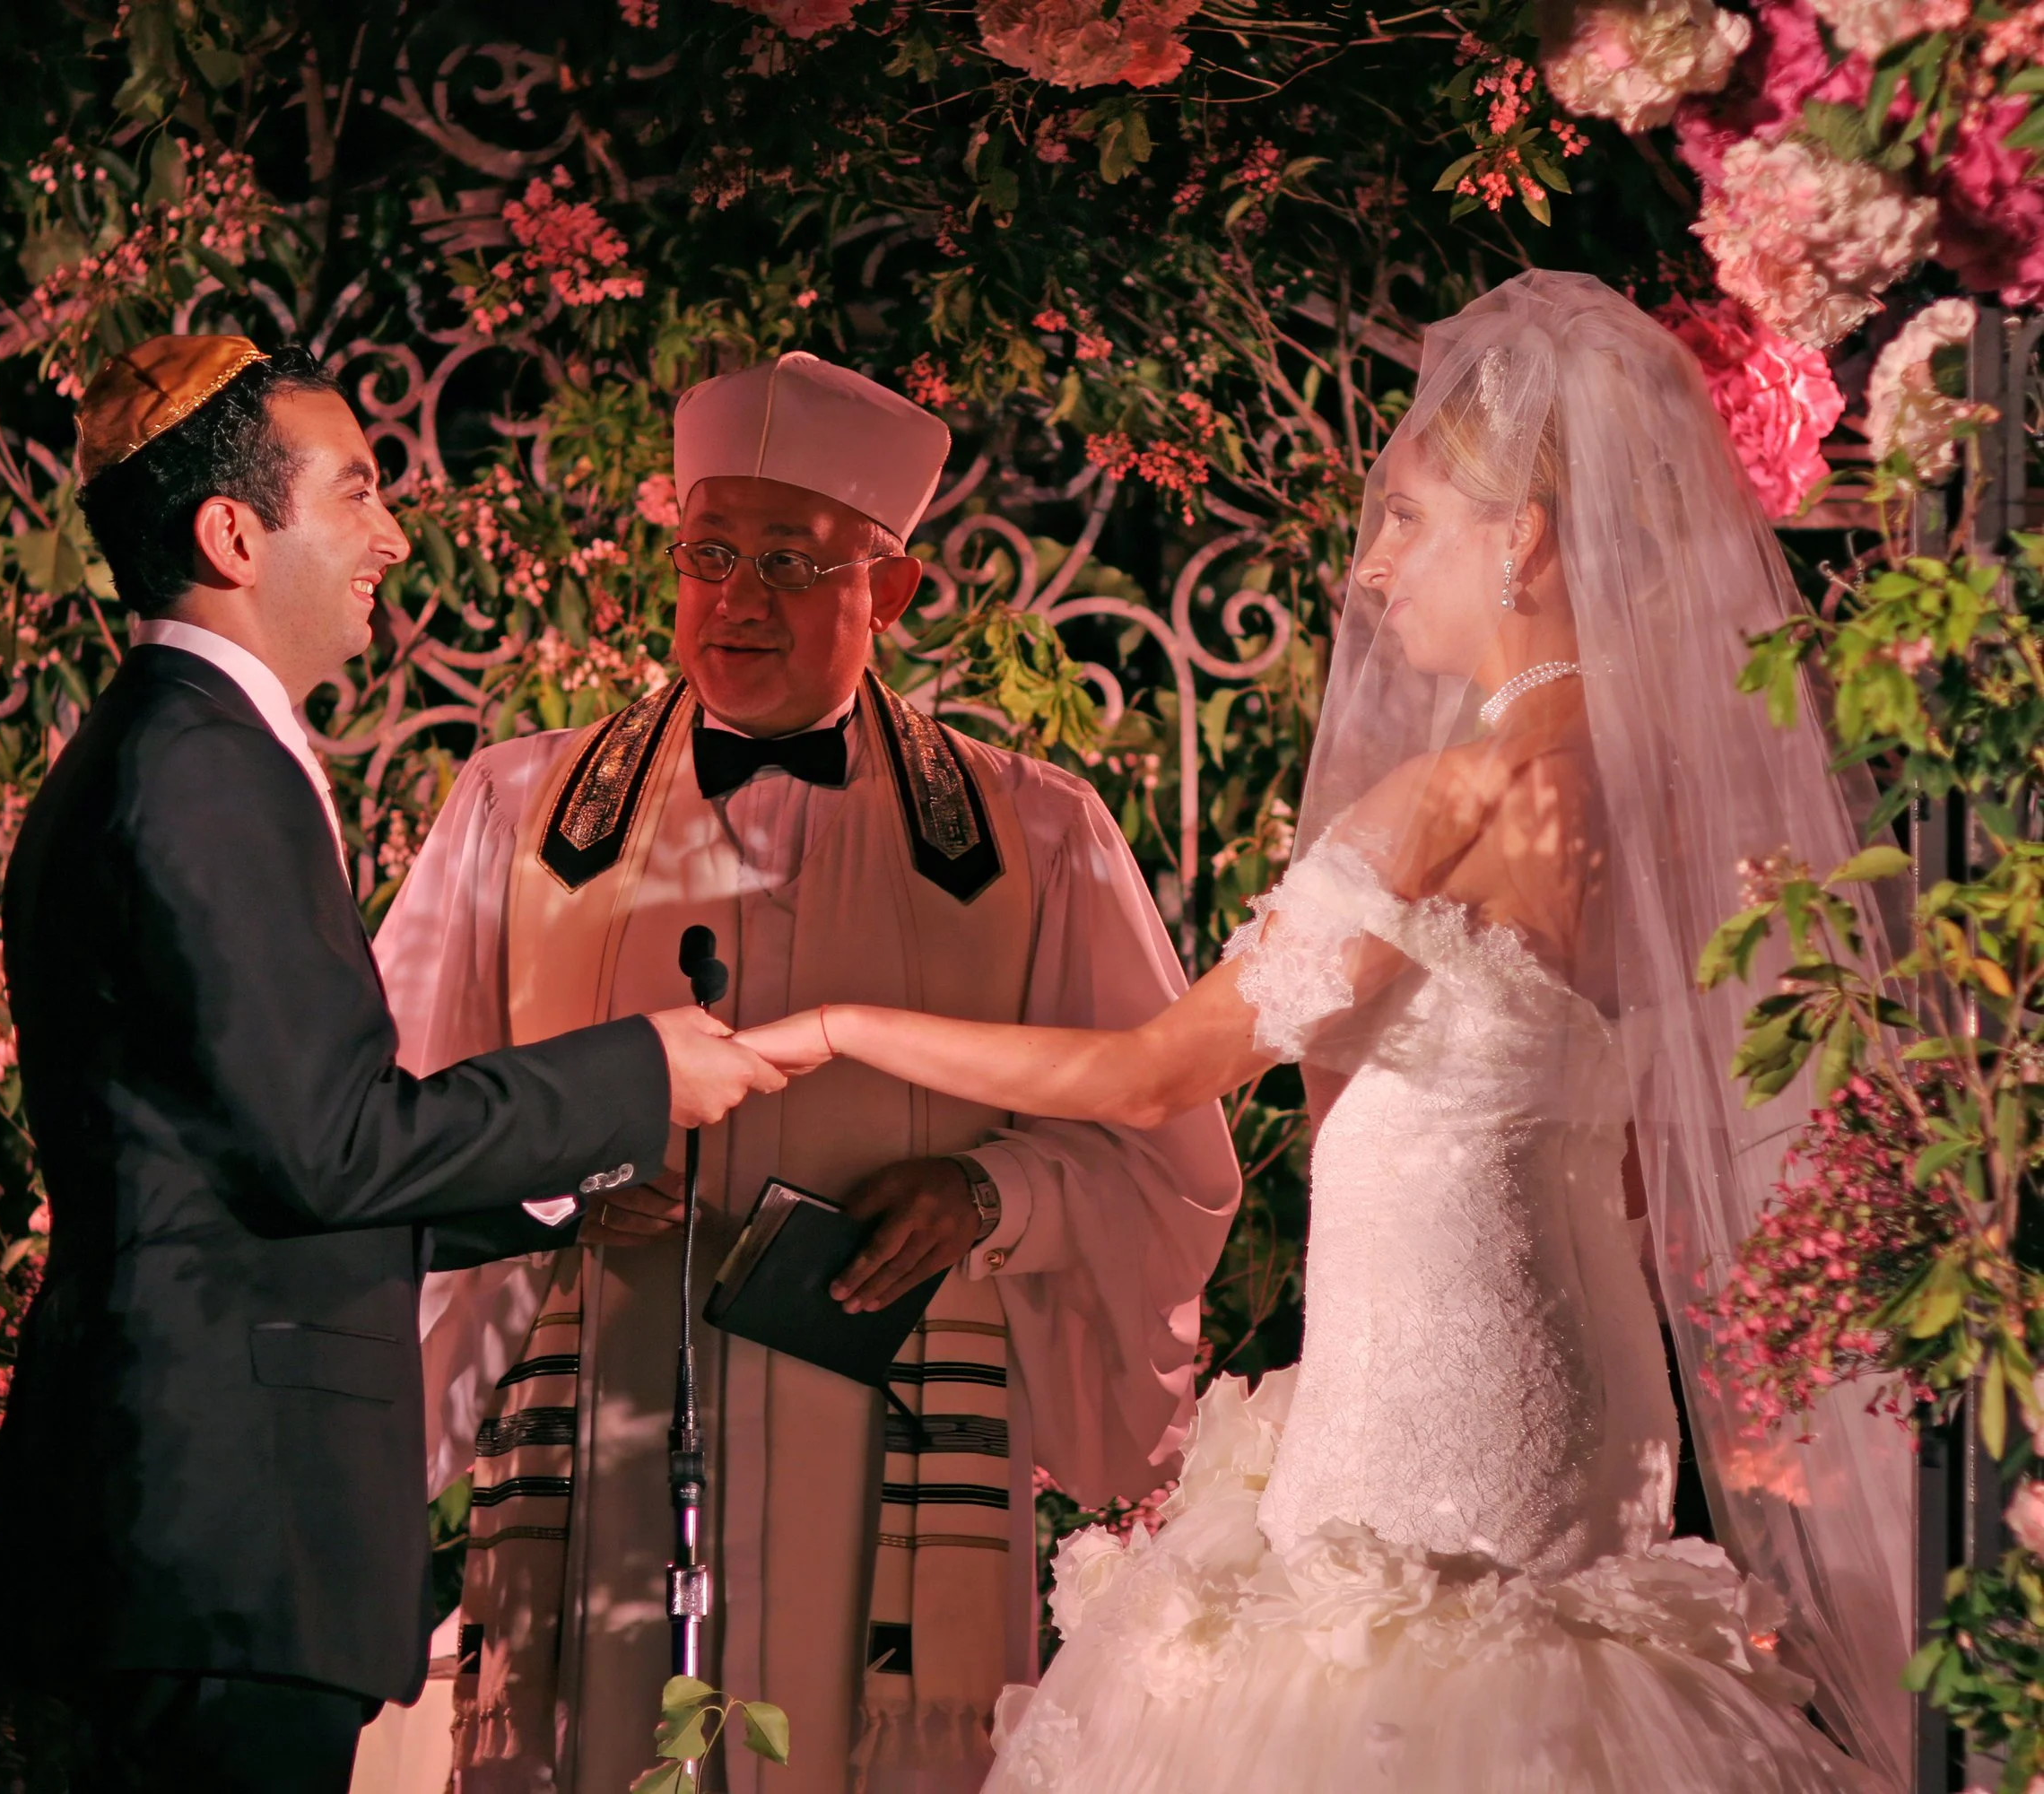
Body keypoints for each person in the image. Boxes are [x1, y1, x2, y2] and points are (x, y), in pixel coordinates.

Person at [738, 276, 1914, 1792]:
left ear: (1526, 538)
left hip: (1428, 1414)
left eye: (1410, 518)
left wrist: (840, 1022)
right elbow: (1638, 1176)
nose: (1371, 566)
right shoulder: (1672, 793)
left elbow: (1148, 1072)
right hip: (1584, 1392)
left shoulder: (1455, 796)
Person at [362, 352, 1241, 1794]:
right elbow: (396, 1125)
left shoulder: (1036, 838)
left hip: (886, 1425)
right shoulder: (514, 814)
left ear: (889, 594)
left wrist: (987, 1192)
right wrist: (551, 1174)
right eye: (710, 555)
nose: (740, 600)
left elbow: (1163, 1148)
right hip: (602, 1425)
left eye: (790, 562)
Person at [0, 335, 783, 1794]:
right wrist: (639, 1073)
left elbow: (249, 1149)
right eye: (353, 493)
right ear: (233, 534)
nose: (392, 536)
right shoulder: (202, 764)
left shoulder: (177, 745)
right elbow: (327, 1143)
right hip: (226, 1531)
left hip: (199, 1537)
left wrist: (549, 1200)